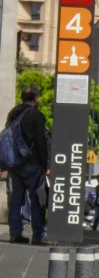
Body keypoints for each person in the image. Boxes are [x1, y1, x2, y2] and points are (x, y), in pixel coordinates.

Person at [5, 86, 49, 245]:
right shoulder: (36, 115)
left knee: (16, 199)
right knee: (37, 199)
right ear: (35, 98)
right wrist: (45, 164)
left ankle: (15, 234)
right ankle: (38, 235)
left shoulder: (13, 113)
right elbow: (40, 142)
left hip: (15, 163)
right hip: (32, 163)